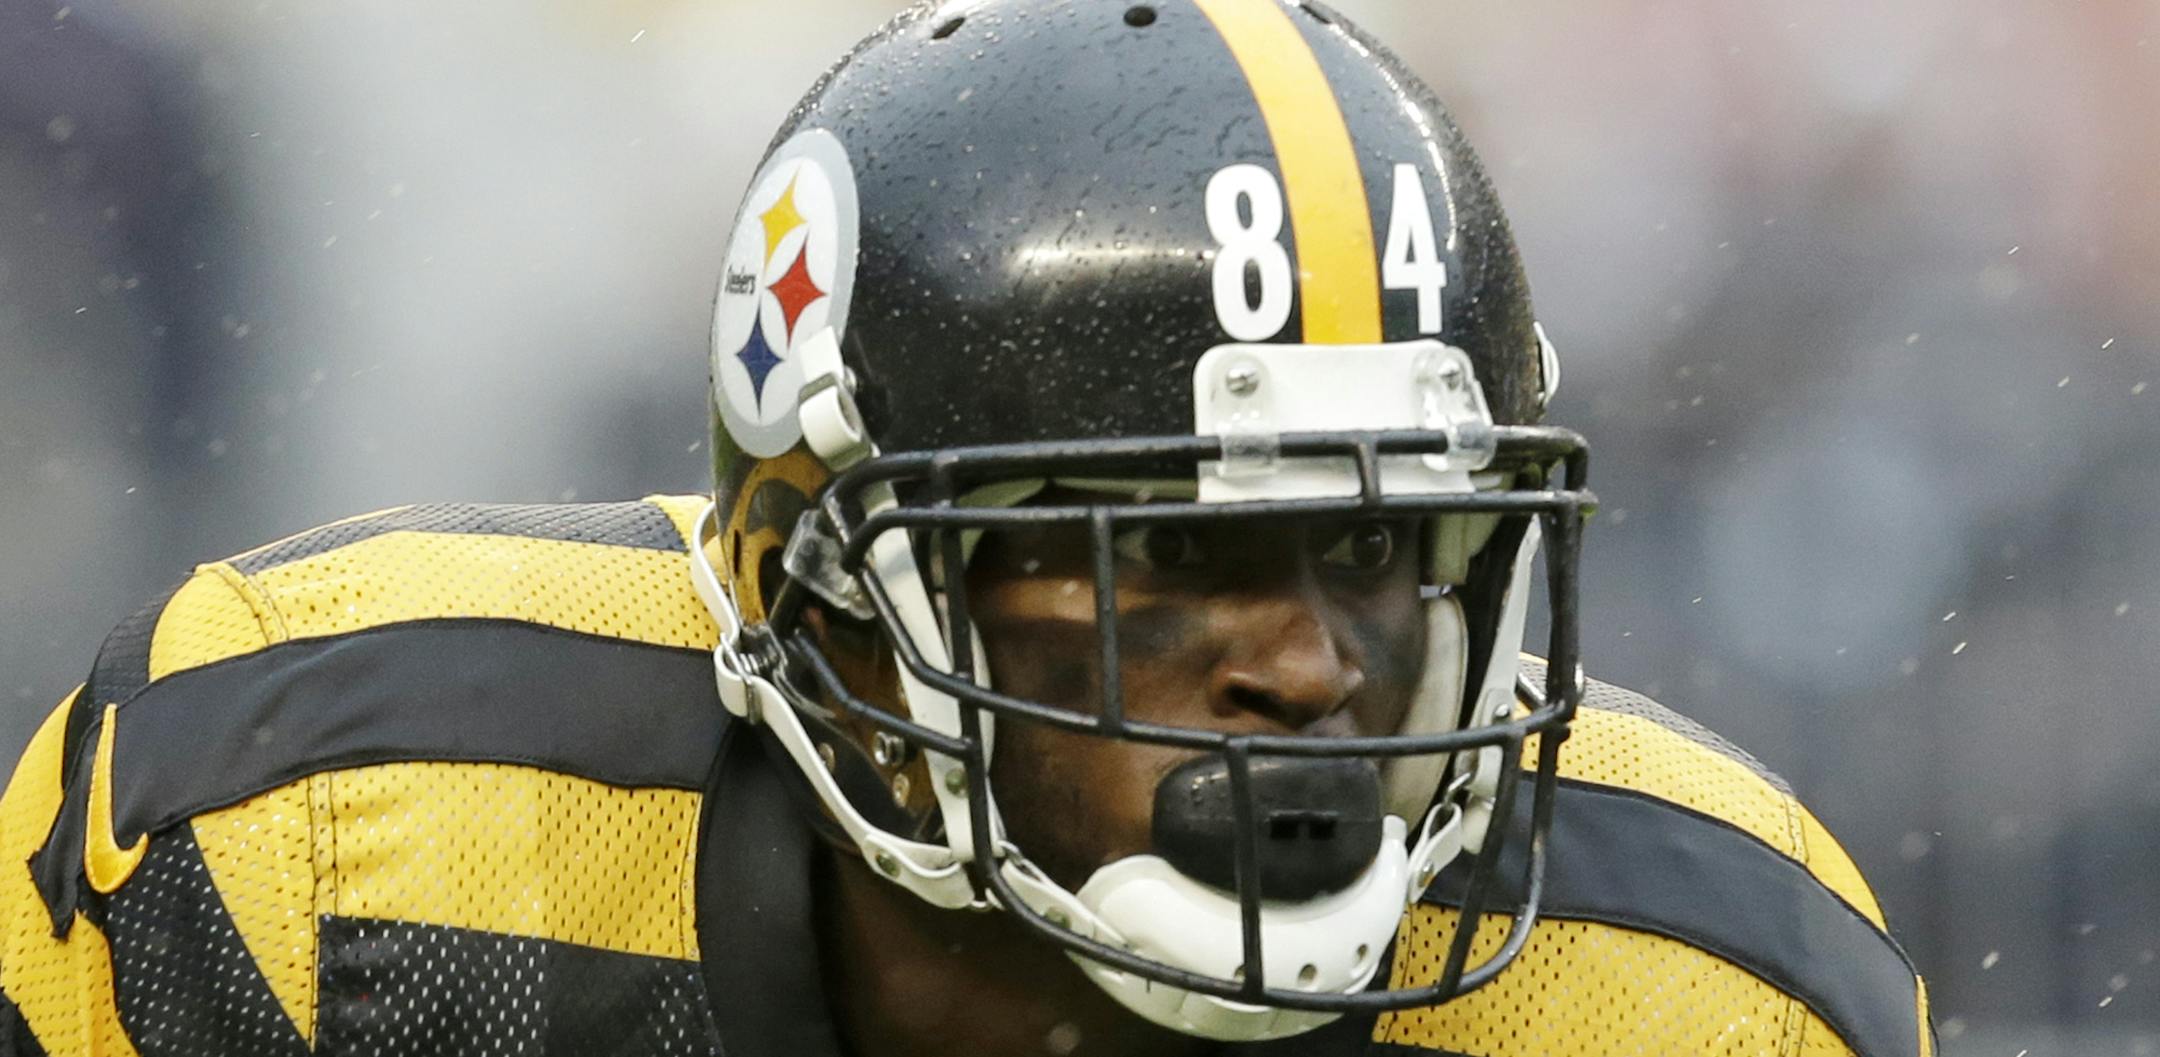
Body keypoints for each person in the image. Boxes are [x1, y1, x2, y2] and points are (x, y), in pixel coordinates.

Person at [0, 1, 1933, 1055]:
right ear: (838, 605)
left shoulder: (1697, 996)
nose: (1309, 661)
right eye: (1168, 550)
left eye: (1373, 545)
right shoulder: (321, 835)